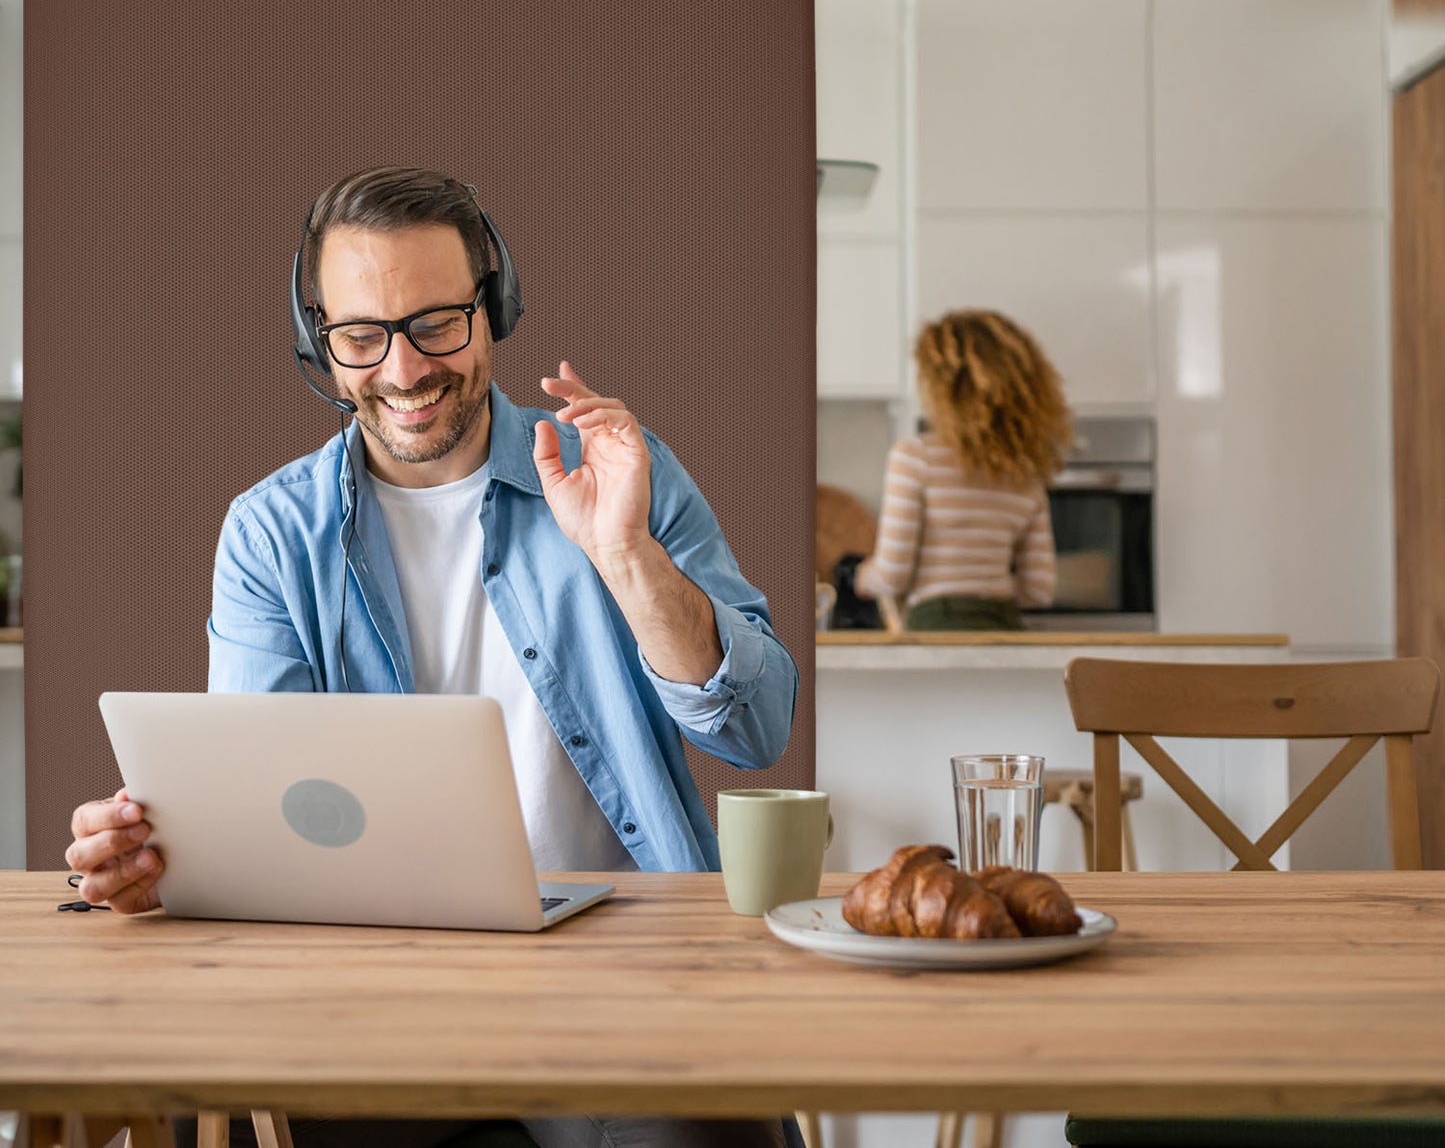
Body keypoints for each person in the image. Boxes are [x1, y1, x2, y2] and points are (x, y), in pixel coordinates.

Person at [64, 167, 800, 1148]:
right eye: (361, 335)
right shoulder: (270, 532)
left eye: (437, 323)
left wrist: (626, 556)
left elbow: (756, 729)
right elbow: (251, 812)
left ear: (493, 311)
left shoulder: (619, 468)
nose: (404, 369)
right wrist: (153, 854)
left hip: (628, 979)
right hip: (372, 999)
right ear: (319, 344)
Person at [852, 308, 1069, 632]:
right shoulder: (1025, 473)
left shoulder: (915, 457)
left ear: (944, 387)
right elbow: (1039, 590)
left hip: (936, 630)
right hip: (1006, 629)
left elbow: (893, 574)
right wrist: (985, 585)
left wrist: (863, 576)